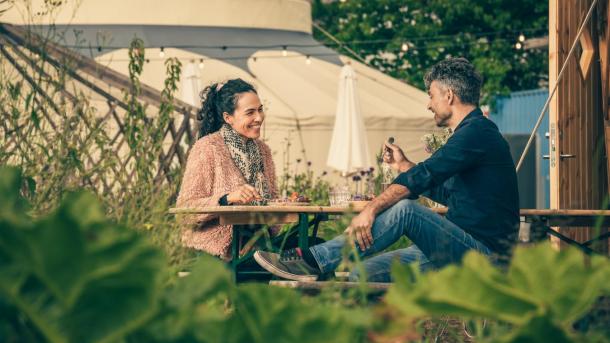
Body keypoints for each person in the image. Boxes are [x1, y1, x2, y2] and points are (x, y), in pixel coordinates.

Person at [254, 58, 520, 282]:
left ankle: (313, 260)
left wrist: (370, 209)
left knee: (406, 211)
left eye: (431, 95)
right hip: (455, 249)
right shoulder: (473, 134)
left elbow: (424, 175)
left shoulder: (476, 134)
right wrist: (403, 166)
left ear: (448, 95)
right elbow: (448, 193)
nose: (429, 104)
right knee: (361, 275)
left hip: (484, 258)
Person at [176, 78, 277, 260]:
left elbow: (274, 199)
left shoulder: (264, 151)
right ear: (228, 118)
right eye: (250, 112)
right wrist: (227, 198)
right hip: (218, 252)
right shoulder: (208, 148)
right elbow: (185, 210)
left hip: (258, 244)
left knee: (313, 242)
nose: (259, 117)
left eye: (260, 109)